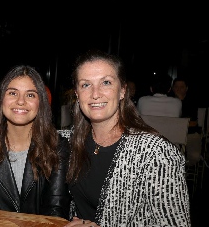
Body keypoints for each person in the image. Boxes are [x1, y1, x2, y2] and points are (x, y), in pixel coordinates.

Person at [60, 49, 190, 226]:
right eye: (85, 85)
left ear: (122, 91)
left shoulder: (157, 154)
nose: (95, 94)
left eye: (106, 82)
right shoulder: (70, 141)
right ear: (77, 94)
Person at [0, 65, 70, 218]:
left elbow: (55, 211)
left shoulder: (57, 147)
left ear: (40, 102)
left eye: (30, 95)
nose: (20, 101)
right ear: (1, 99)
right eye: (13, 93)